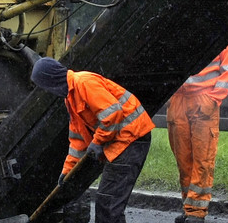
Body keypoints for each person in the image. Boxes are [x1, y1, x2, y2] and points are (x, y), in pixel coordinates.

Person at [31, 57, 155, 223]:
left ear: (50, 79)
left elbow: (112, 113)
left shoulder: (83, 82)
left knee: (108, 204)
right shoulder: (70, 97)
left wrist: (97, 142)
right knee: (109, 204)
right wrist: (67, 170)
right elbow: (77, 139)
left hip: (131, 139)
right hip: (125, 141)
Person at [169, 41, 228, 223]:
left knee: (202, 159)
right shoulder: (181, 29)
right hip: (179, 99)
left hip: (203, 99)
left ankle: (196, 211)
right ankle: (188, 206)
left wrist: (214, 98)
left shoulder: (223, 32)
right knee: (183, 159)